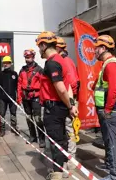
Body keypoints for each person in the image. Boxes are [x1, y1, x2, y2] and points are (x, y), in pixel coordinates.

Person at [36, 31, 78, 180]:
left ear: (44, 45)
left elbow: (61, 88)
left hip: (53, 109)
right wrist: (71, 105)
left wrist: (70, 105)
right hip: (60, 107)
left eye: (39, 46)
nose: (39, 50)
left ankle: (57, 175)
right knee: (61, 140)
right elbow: (68, 87)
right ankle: (63, 170)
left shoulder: (52, 63)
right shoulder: (61, 60)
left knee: (55, 143)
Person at [93, 35, 116, 180]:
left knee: (112, 142)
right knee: (107, 140)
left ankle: (115, 175)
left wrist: (107, 110)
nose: (94, 52)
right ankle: (110, 166)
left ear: (103, 48)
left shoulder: (111, 64)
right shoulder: (106, 64)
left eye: (96, 49)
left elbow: (113, 90)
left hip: (110, 110)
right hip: (107, 109)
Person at [56, 36, 80, 170]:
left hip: (67, 101)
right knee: (64, 130)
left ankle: (71, 159)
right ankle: (65, 156)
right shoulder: (62, 60)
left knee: (69, 130)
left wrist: (70, 103)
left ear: (59, 47)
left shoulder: (66, 62)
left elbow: (72, 84)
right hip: (63, 101)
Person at [17, 49, 45, 148]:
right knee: (29, 118)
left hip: (35, 97)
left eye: (28, 57)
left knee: (37, 119)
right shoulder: (22, 70)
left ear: (33, 57)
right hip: (25, 97)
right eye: (26, 57)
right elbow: (19, 84)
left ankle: (42, 139)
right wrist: (19, 97)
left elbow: (43, 85)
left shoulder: (39, 70)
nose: (27, 59)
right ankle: (33, 136)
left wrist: (43, 98)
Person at [0, 56, 19, 137]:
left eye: (7, 63)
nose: (6, 64)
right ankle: (2, 130)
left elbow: (17, 86)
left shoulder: (15, 74)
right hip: (3, 98)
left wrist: (19, 97)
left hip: (12, 98)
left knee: (13, 113)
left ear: (10, 63)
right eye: (4, 63)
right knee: (2, 113)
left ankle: (14, 127)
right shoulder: (1, 74)